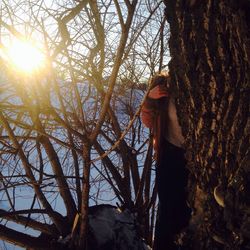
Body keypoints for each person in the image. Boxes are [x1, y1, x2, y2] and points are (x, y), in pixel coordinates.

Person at [141, 73, 191, 250]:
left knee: (188, 211)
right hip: (169, 156)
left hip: (194, 159)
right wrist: (149, 99)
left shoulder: (201, 81)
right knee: (167, 211)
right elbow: (147, 121)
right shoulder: (163, 85)